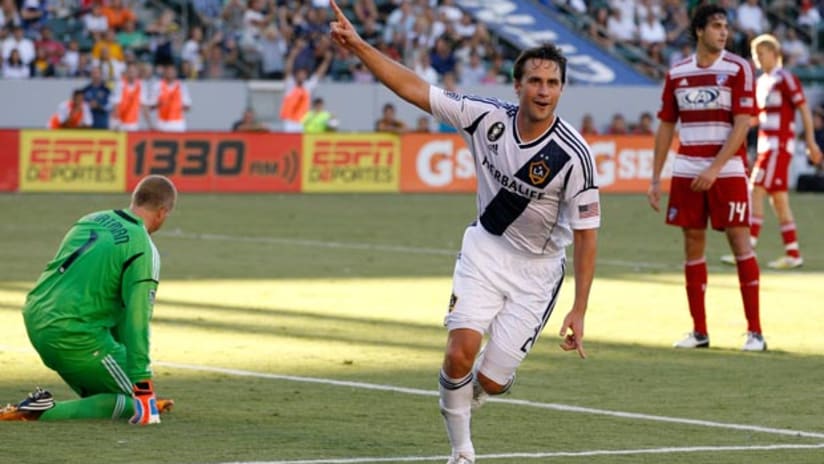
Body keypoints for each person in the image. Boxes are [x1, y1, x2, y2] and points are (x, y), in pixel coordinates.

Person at [330, 3, 599, 463]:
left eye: (553, 83)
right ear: (517, 86)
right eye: (535, 81)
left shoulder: (574, 156)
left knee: (491, 381)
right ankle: (462, 452)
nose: (544, 90)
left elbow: (588, 235)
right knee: (458, 354)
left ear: (562, 89)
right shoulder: (485, 117)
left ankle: (476, 391)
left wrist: (578, 308)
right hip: (485, 251)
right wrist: (357, 46)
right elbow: (414, 88)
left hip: (537, 272)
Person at [0, 175, 178, 424]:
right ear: (162, 212)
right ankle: (37, 411)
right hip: (74, 334)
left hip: (36, 317)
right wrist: (143, 387)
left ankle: (95, 393)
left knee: (113, 393)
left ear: (135, 199)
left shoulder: (91, 219)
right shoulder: (142, 247)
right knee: (132, 401)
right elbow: (137, 320)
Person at [647, 4, 765, 352]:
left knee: (740, 244)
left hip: (726, 172)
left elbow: (743, 123)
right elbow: (666, 125)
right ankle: (699, 331)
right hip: (686, 172)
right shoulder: (677, 72)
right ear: (700, 30)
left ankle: (755, 332)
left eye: (725, 27)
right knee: (692, 245)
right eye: (716, 26)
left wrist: (714, 168)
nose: (723, 32)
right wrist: (656, 178)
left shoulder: (739, 68)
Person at [720, 34, 823, 270]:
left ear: (774, 54)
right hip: (767, 147)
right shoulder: (761, 83)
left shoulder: (785, 78)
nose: (756, 59)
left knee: (755, 189)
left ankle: (747, 249)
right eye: (755, 55)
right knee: (779, 202)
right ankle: (793, 253)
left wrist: (810, 141)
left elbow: (804, 109)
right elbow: (757, 117)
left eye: (760, 54)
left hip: (778, 147)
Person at [149, 64, 192, 132]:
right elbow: (151, 106)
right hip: (162, 123)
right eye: (168, 72)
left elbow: (188, 106)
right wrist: (159, 104)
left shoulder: (181, 86)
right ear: (164, 73)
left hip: (178, 123)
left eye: (172, 72)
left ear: (176, 73)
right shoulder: (157, 86)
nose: (170, 74)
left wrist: (176, 104)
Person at [110, 61, 151, 131]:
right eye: (129, 71)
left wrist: (149, 123)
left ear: (137, 73)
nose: (131, 74)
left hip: (134, 123)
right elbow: (116, 105)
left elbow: (144, 105)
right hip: (121, 123)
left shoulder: (142, 85)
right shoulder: (120, 85)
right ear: (126, 73)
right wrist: (116, 122)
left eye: (133, 71)